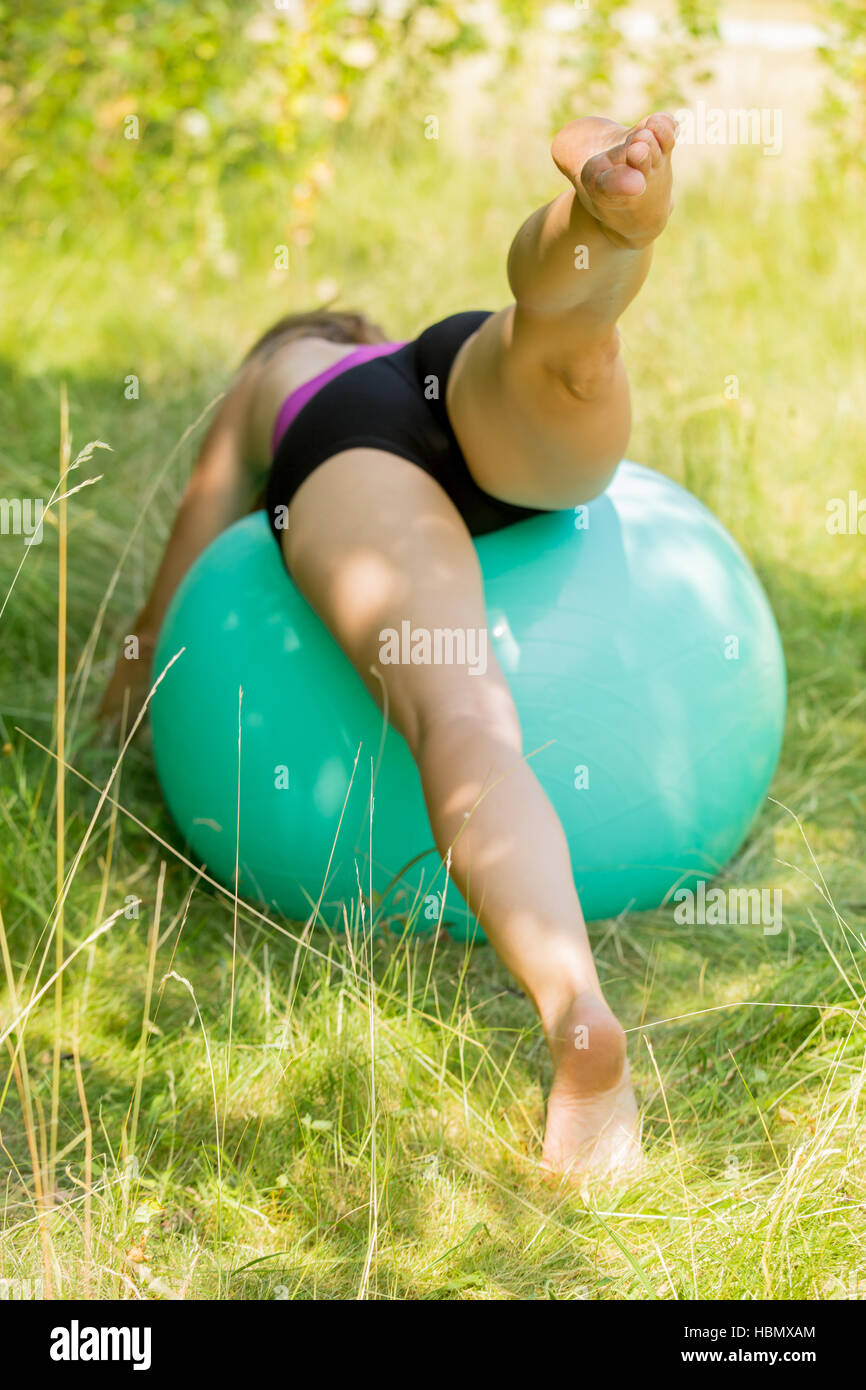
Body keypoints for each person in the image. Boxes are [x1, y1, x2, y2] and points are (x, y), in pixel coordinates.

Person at [101, 113, 677, 1178]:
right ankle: (589, 247)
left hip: (350, 447)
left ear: (281, 338)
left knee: (458, 717)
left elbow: (180, 569)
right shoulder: (384, 350)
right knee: (558, 352)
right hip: (449, 366)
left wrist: (127, 686)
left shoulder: (273, 376)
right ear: (351, 321)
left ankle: (575, 1012)